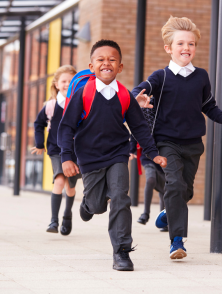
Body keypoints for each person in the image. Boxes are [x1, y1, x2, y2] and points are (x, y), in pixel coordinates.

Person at [132, 16, 222, 260]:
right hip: (166, 142)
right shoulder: (161, 77)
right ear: (169, 48)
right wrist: (138, 98)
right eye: (180, 44)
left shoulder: (201, 76)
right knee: (176, 186)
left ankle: (168, 214)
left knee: (185, 191)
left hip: (193, 144)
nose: (186, 48)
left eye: (191, 44)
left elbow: (209, 106)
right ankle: (177, 241)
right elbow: (139, 90)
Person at [58, 39, 167, 271]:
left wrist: (153, 153)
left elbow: (139, 127)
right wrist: (67, 157)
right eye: (100, 59)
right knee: (98, 205)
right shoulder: (83, 92)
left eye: (112, 59)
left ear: (120, 67)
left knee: (120, 197)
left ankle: (122, 252)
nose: (106, 63)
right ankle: (88, 204)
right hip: (89, 157)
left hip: (118, 154)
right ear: (91, 66)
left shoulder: (125, 95)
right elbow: (66, 127)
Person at [32, 65, 80, 236]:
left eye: (71, 81)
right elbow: (39, 124)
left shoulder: (80, 102)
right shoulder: (51, 105)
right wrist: (39, 144)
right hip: (56, 149)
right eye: (64, 81)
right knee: (59, 179)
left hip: (76, 150)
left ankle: (67, 214)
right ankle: (54, 220)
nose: (67, 84)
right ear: (57, 84)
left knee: (71, 186)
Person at [130, 137, 167, 231]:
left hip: (164, 155)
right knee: (151, 179)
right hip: (147, 155)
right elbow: (136, 131)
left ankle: (163, 220)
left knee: (164, 188)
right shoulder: (143, 121)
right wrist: (131, 150)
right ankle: (145, 214)